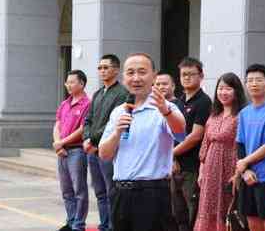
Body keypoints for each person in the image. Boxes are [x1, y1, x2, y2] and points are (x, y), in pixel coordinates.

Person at [99, 52, 186, 231]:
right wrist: (116, 133)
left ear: (154, 76)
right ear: (124, 78)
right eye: (130, 73)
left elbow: (180, 131)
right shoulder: (118, 112)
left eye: (142, 72)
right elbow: (104, 154)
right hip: (121, 194)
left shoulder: (164, 107)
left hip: (151, 194)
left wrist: (166, 111)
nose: (136, 78)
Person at [194, 72, 247, 231]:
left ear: (237, 91)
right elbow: (205, 145)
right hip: (210, 170)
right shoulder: (213, 115)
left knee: (228, 207)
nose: (223, 92)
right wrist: (201, 171)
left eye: (228, 89)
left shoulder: (241, 116)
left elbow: (243, 146)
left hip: (230, 168)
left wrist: (238, 173)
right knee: (207, 208)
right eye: (220, 88)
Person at [235, 64, 265, 231]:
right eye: (250, 80)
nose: (254, 84)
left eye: (258, 80)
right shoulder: (244, 113)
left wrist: (244, 163)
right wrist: (245, 171)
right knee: (252, 223)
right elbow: (240, 143)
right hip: (248, 177)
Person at [83, 54, 128, 231]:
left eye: (106, 67)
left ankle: (112, 226)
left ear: (116, 70)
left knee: (111, 192)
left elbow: (114, 123)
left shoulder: (122, 94)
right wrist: (87, 138)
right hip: (92, 150)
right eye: (100, 68)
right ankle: (103, 224)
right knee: (100, 192)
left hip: (108, 150)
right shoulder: (97, 93)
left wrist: (93, 140)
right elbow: (88, 120)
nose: (102, 71)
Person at [171, 57, 212, 231]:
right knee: (176, 214)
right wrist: (171, 158)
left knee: (193, 212)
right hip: (174, 167)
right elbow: (171, 133)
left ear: (201, 76)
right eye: (183, 74)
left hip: (193, 167)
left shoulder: (204, 102)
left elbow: (196, 136)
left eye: (191, 74)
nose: (186, 78)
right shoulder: (177, 102)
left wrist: (171, 154)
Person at [53, 70, 91, 231]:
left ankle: (78, 224)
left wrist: (62, 142)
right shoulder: (64, 103)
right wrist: (58, 144)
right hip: (61, 151)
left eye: (72, 82)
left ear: (81, 84)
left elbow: (83, 129)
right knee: (66, 190)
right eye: (67, 82)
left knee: (79, 190)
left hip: (76, 151)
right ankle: (70, 221)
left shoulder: (87, 104)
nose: (68, 85)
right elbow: (57, 124)